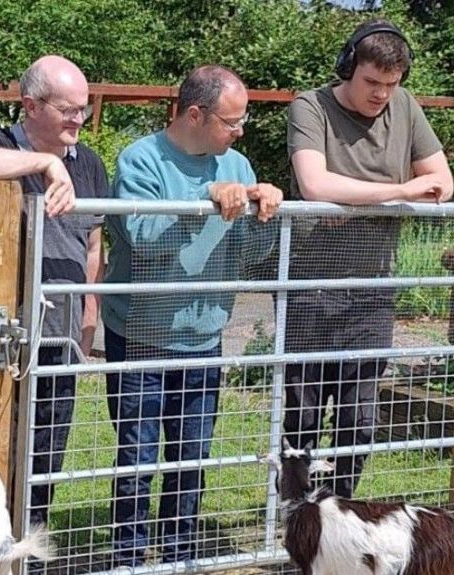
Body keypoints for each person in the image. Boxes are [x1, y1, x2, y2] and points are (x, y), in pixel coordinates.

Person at [101, 65, 282, 567]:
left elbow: (251, 253)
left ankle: (180, 554)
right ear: (196, 114)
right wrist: (201, 198)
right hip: (140, 335)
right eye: (232, 121)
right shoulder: (140, 160)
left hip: (205, 338)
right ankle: (130, 558)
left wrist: (267, 211)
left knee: (192, 458)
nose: (239, 131)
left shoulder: (238, 166)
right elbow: (141, 239)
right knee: (138, 458)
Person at [284, 19, 454, 498]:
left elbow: (442, 181)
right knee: (304, 413)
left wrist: (356, 200)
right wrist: (399, 192)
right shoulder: (309, 106)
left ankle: (338, 512)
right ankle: (298, 518)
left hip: (373, 287)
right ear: (348, 68)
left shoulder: (405, 108)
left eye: (391, 85)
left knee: (359, 421)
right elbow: (315, 185)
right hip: (311, 287)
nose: (381, 95)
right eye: (371, 83)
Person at [0, 55, 103, 538]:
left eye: (83, 109)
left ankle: (27, 550)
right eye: (68, 110)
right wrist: (46, 164)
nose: (79, 119)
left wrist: (88, 315)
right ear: (31, 105)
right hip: (7, 339)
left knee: (46, 454)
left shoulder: (91, 163)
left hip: (61, 336)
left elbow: (94, 245)